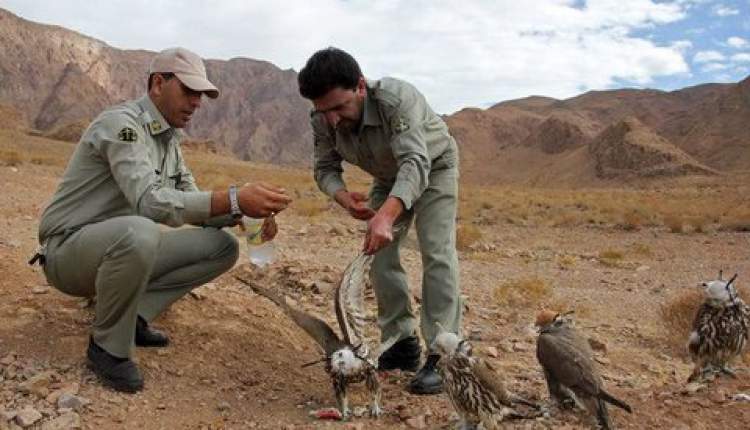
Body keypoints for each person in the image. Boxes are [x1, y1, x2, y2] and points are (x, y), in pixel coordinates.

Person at [33, 47, 292, 393]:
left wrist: (241, 213)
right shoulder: (122, 126)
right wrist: (233, 196)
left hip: (120, 250)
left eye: (200, 94)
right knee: (139, 230)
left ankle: (135, 316)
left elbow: (194, 203)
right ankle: (107, 347)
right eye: (188, 91)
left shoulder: (169, 142)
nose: (197, 102)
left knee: (221, 247)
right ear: (158, 83)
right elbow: (150, 202)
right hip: (68, 254)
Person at [297, 47, 461, 395]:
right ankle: (401, 343)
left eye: (339, 108)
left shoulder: (396, 99)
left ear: (359, 86)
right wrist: (345, 199)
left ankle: (444, 356)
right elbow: (325, 168)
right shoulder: (323, 119)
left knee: (436, 251)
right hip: (387, 179)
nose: (332, 120)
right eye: (323, 111)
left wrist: (386, 215)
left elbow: (416, 163)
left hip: (434, 168)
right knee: (379, 256)